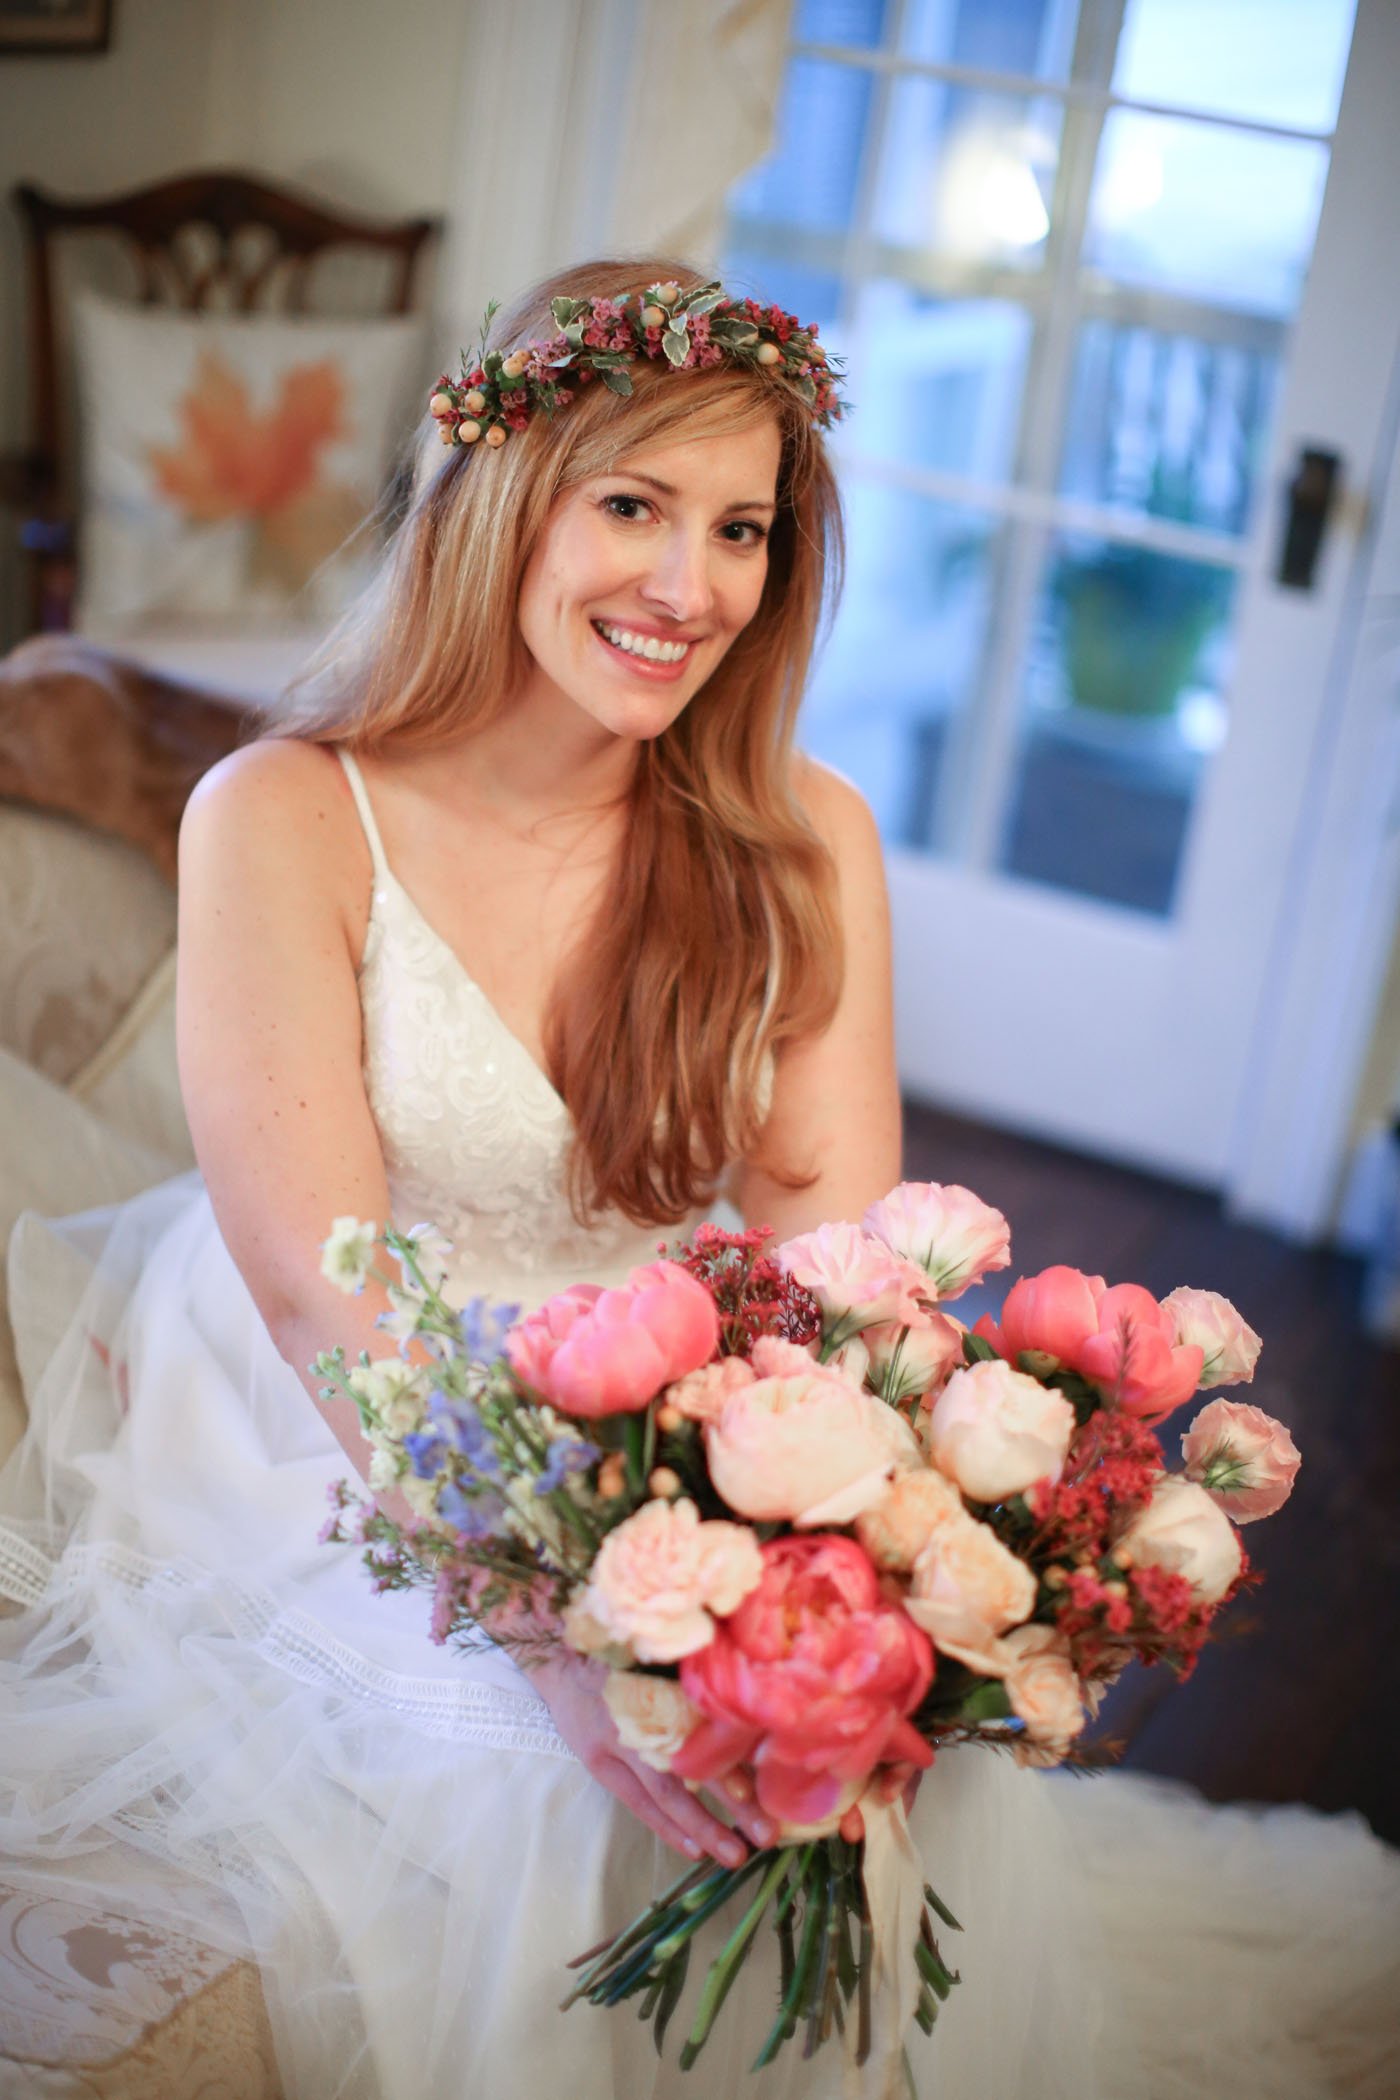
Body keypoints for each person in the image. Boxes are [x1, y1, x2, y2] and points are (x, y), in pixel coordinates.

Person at [0, 258, 1396, 2100]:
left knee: (830, 1747)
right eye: (634, 506)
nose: (688, 588)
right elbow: (326, 1297)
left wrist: (850, 1570)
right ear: (502, 499)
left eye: (741, 529)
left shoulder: (804, 842)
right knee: (554, 1764)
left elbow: (847, 1276)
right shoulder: (282, 816)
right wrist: (560, 1645)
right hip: (338, 1407)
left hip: (663, 1381)